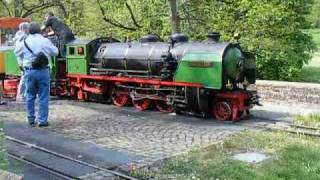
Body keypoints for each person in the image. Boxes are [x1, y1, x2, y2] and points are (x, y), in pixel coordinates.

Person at [15, 22, 59, 127]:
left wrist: (24, 59)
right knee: (43, 97)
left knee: (30, 96)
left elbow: (17, 52)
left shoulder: (25, 41)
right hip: (43, 71)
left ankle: (31, 118)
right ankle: (42, 121)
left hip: (29, 71)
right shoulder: (45, 41)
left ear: (29, 31)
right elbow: (56, 52)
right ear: (40, 30)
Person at [13, 22, 30, 101]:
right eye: (27, 28)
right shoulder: (23, 37)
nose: (28, 29)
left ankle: (22, 95)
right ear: (24, 29)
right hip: (23, 60)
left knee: (25, 77)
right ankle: (21, 95)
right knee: (25, 77)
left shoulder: (18, 36)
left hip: (21, 60)